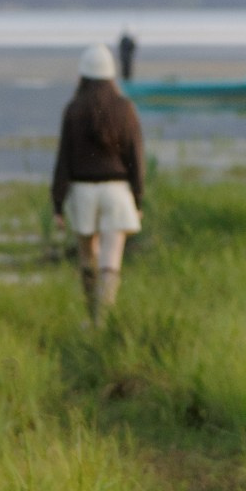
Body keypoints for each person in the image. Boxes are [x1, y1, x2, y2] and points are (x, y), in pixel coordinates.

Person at [50, 42, 147, 321]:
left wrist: (57, 204)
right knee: (111, 257)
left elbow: (63, 161)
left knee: (87, 255)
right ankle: (103, 318)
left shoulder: (73, 110)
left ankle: (91, 312)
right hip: (117, 190)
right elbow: (135, 158)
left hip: (81, 191)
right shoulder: (125, 109)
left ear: (82, 75)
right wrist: (138, 197)